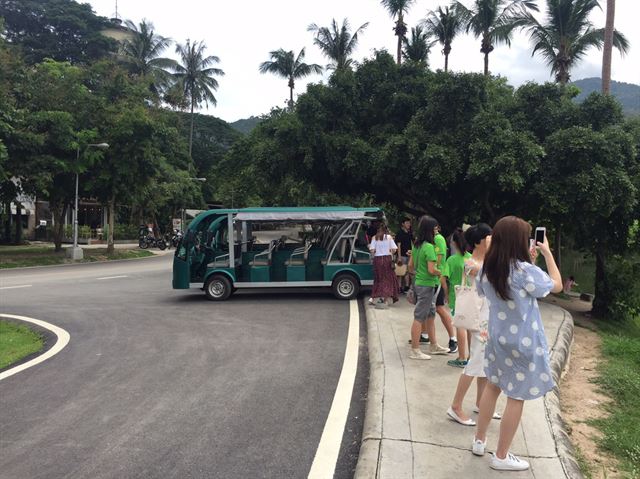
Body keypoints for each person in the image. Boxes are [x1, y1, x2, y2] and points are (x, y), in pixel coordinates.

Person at [472, 216, 562, 471]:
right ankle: (501, 456)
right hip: (523, 345)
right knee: (516, 396)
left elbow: (491, 291)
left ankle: (479, 441)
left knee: (493, 386)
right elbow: (555, 285)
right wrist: (547, 254)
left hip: (497, 340)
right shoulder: (525, 271)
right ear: (519, 241)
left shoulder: (487, 269)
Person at [447, 224, 500, 424]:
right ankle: (456, 406)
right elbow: (491, 275)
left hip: (488, 318)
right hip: (480, 321)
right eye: (489, 237)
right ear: (480, 241)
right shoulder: (472, 263)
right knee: (475, 363)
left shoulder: (486, 261)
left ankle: (480, 403)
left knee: (485, 365)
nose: (493, 240)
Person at [408, 216, 449, 359]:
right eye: (435, 228)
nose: (436, 231)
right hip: (427, 285)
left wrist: (420, 273)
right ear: (431, 230)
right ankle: (415, 350)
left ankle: (434, 345)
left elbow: (410, 266)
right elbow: (432, 270)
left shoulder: (417, 245)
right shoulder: (430, 247)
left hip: (419, 283)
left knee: (430, 315)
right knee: (419, 317)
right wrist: (441, 272)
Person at [445, 228, 472, 368]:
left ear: (454, 243)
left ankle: (461, 357)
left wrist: (445, 294)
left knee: (460, 325)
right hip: (471, 295)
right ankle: (471, 357)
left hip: (457, 296)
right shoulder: (471, 258)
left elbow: (444, 278)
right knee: (470, 326)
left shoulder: (451, 260)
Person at [369, 223, 399, 308]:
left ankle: (373, 297)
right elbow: (394, 249)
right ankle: (385, 299)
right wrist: (389, 251)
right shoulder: (389, 238)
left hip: (378, 260)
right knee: (387, 279)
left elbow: (372, 251)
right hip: (387, 259)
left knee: (378, 278)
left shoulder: (374, 238)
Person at [395, 218, 413, 293]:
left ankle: (406, 286)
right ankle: (399, 287)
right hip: (401, 255)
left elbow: (412, 243)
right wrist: (399, 257)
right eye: (407, 223)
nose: (408, 224)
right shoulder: (399, 233)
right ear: (403, 224)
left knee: (408, 271)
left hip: (409, 255)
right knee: (400, 271)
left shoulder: (410, 233)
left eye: (409, 223)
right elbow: (398, 245)